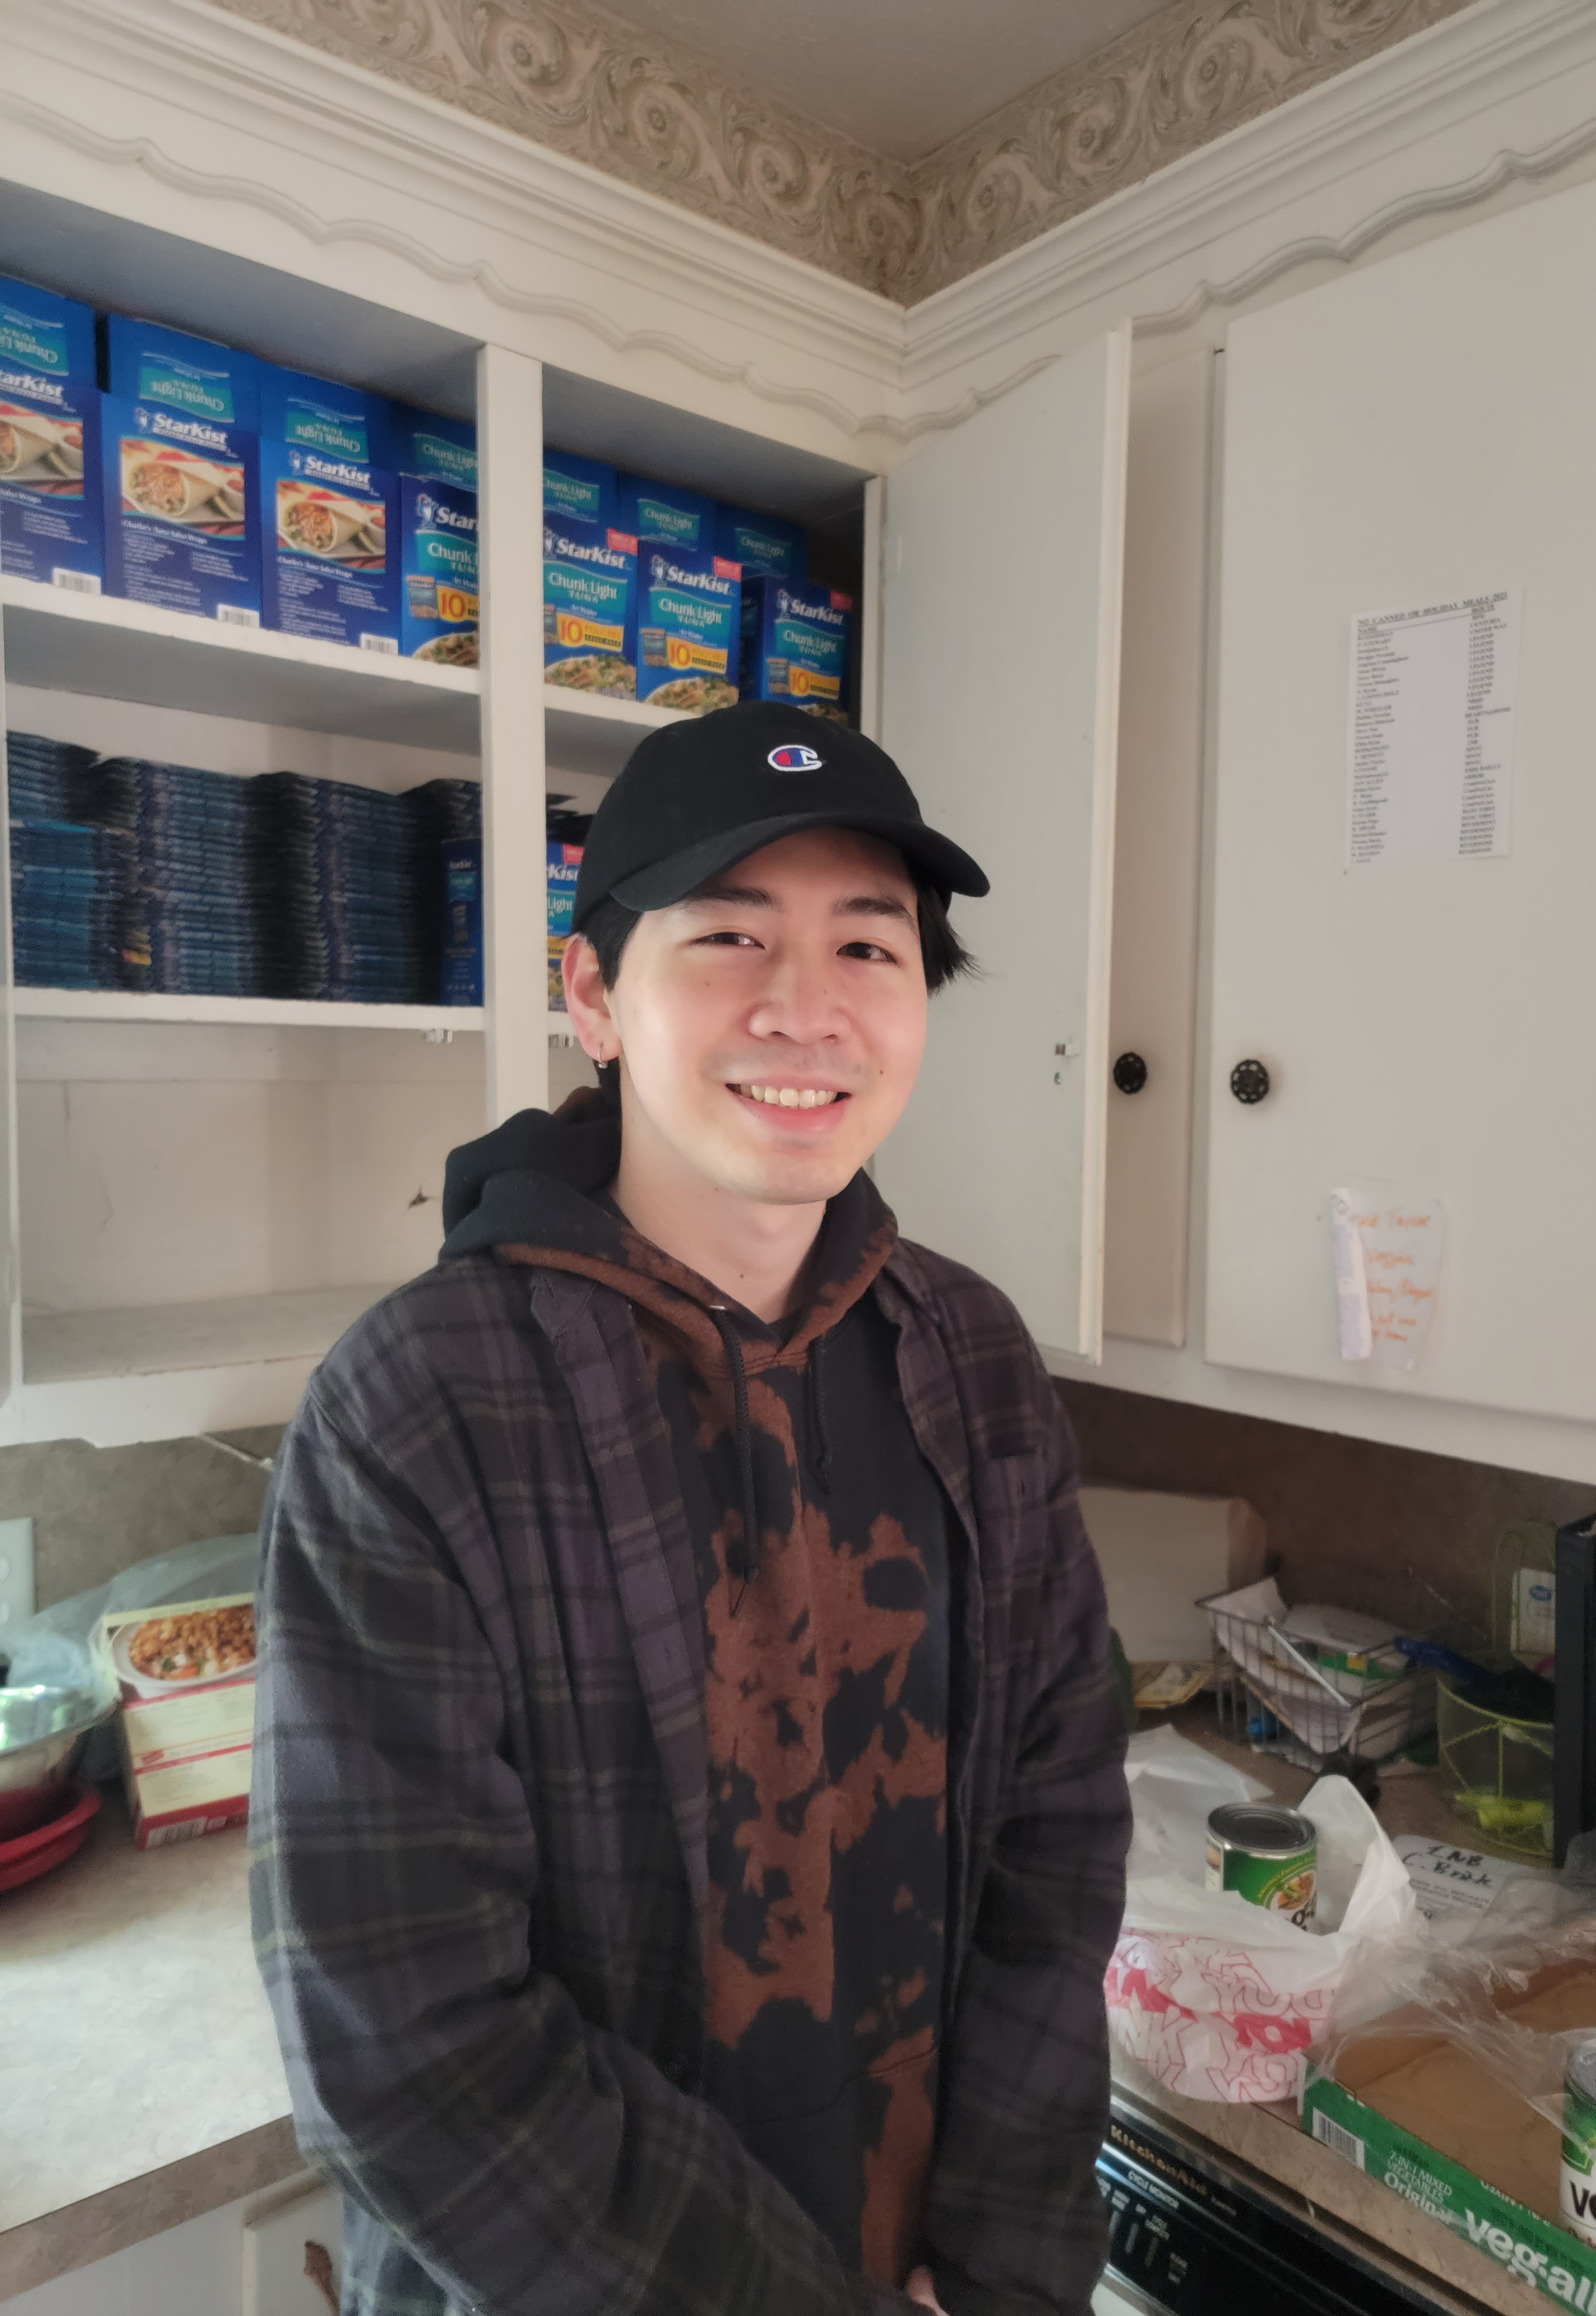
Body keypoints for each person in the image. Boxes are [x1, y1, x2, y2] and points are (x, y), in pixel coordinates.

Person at [250, 700, 1131, 2316]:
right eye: (729, 936)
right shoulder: (423, 1404)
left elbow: (1056, 1854)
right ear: (592, 995)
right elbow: (409, 2039)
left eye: (871, 949)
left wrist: (1003, 2268)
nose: (807, 1012)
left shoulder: (977, 1362)